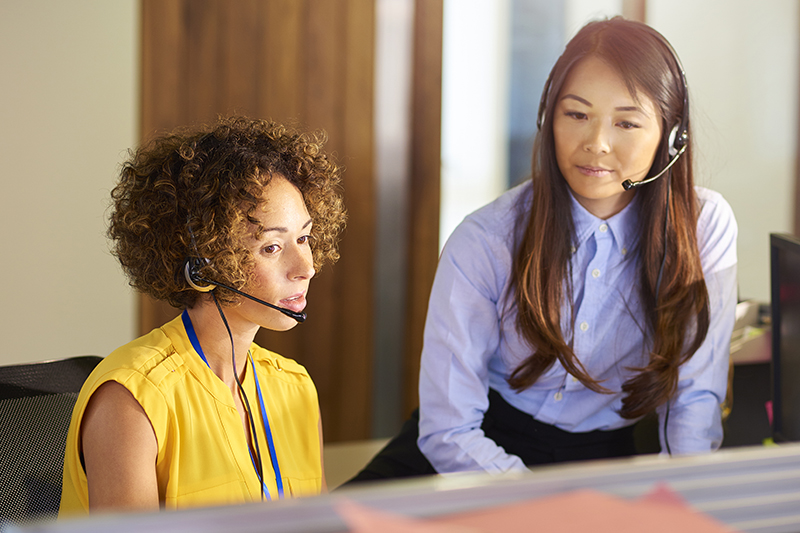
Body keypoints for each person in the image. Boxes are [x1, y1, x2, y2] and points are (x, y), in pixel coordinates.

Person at [348, 17, 736, 481]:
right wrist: (542, 508)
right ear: (547, 119)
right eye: (576, 115)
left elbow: (694, 402)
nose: (596, 143)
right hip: (472, 448)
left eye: (627, 122)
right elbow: (448, 429)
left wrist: (687, 501)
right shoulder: (487, 238)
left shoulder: (702, 226)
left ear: (672, 138)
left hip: (604, 456)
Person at [60, 116, 346, 514]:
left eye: (304, 238)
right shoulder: (132, 400)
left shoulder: (294, 388)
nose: (306, 267)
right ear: (205, 264)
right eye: (272, 247)